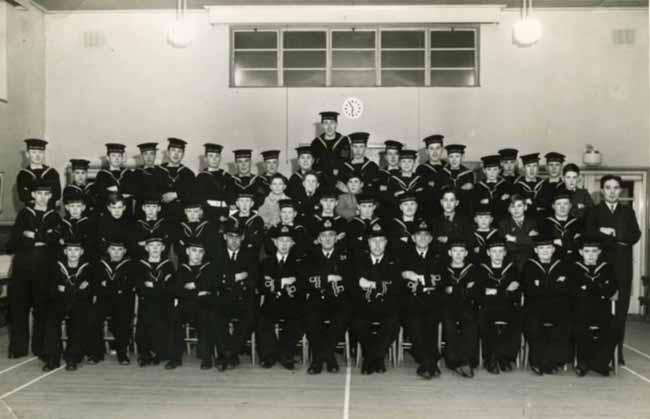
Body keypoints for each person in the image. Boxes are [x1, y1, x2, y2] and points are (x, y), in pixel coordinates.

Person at [585, 174, 641, 365]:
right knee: (599, 309)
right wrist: (602, 232)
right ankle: (599, 352)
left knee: (621, 312)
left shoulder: (628, 212)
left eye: (615, 188)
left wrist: (614, 233)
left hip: (623, 269)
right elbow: (588, 233)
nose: (611, 191)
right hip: (601, 268)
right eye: (608, 187)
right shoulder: (594, 211)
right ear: (602, 191)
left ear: (620, 191)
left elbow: (635, 235)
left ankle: (618, 352)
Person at [6, 181, 62, 359]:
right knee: (18, 309)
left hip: (45, 270)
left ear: (51, 196)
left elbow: (55, 241)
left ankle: (40, 348)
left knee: (42, 309)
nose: (43, 198)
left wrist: (31, 236)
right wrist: (41, 238)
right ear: (32, 195)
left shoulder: (55, 216)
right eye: (39, 194)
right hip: (23, 269)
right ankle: (18, 348)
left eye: (46, 194)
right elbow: (13, 242)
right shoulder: (24, 214)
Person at [351, 222, 401, 375]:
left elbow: (396, 286)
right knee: (357, 322)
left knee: (393, 323)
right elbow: (354, 285)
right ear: (368, 243)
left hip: (387, 305)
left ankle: (372, 357)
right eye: (373, 241)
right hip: (365, 305)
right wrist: (379, 284)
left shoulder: (395, 261)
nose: (377, 245)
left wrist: (371, 284)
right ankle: (377, 358)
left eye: (381, 241)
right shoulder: (359, 260)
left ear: (386, 243)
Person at [304, 219, 350, 374]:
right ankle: (327, 358)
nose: (328, 238)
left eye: (331, 235)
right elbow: (306, 279)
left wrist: (320, 277)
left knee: (342, 317)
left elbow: (349, 279)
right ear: (319, 239)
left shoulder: (345, 255)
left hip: (338, 298)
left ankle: (320, 358)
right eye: (324, 235)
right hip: (317, 298)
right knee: (310, 318)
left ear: (337, 237)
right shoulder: (310, 255)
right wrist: (328, 278)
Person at [399, 219, 443, 379]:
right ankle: (430, 362)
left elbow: (442, 280)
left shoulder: (438, 255)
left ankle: (426, 363)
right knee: (415, 324)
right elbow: (399, 283)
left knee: (431, 323)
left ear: (431, 239)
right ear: (413, 238)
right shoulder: (404, 256)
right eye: (419, 235)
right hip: (411, 302)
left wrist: (418, 277)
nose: (423, 238)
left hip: (432, 302)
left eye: (426, 235)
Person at [257, 225, 305, 370]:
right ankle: (269, 355)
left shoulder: (299, 263)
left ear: (292, 243)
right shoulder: (266, 263)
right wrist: (283, 282)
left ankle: (286, 354)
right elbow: (262, 285)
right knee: (262, 318)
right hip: (272, 302)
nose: (284, 244)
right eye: (281, 240)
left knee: (297, 319)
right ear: (275, 242)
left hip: (292, 302)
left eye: (287, 241)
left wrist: (275, 282)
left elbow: (302, 285)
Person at [522, 234, 570, 375]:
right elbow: (529, 291)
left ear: (554, 249)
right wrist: (554, 285)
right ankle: (537, 362)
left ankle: (551, 361)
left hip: (557, 307)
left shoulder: (561, 265)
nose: (545, 251)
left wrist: (542, 286)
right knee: (534, 325)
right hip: (534, 308)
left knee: (563, 324)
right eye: (541, 248)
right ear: (536, 250)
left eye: (548, 248)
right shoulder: (529, 266)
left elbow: (566, 289)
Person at [570, 236, 617, 377]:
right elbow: (573, 291)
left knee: (615, 327)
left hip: (602, 310)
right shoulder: (574, 268)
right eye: (587, 251)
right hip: (580, 309)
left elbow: (612, 289)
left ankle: (600, 363)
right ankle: (583, 363)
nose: (590, 255)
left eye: (594, 251)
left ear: (599, 252)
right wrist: (599, 287)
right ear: (581, 252)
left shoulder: (607, 268)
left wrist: (587, 288)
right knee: (580, 326)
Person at [214, 221, 258, 371]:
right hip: (222, 298)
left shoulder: (250, 255)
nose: (234, 240)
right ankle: (228, 354)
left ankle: (229, 353)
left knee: (250, 316)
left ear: (243, 238)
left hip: (242, 298)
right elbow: (213, 279)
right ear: (225, 237)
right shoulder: (216, 254)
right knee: (215, 315)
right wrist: (237, 277)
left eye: (237, 237)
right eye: (231, 236)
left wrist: (228, 278)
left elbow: (253, 280)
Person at [167, 240, 217, 370]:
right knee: (174, 316)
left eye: (200, 252)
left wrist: (193, 286)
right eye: (194, 251)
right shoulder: (182, 269)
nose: (197, 255)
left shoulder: (209, 268)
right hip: (186, 306)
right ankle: (175, 358)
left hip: (203, 305)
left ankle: (206, 358)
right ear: (187, 251)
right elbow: (177, 291)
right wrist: (198, 291)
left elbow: (212, 287)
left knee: (207, 316)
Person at [476, 236, 521, 374]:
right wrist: (505, 291)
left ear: (505, 253)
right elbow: (480, 293)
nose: (497, 254)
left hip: (507, 306)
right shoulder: (481, 269)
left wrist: (494, 291)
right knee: (485, 321)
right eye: (494, 251)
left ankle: (506, 358)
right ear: (488, 253)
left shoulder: (512, 269)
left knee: (517, 319)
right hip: (487, 306)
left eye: (501, 251)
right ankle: (490, 358)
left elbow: (516, 292)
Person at [89, 237, 136, 365]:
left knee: (123, 320)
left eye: (119, 250)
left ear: (124, 251)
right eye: (113, 249)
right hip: (104, 300)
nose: (116, 252)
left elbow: (128, 286)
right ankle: (96, 353)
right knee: (93, 318)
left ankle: (122, 354)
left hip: (122, 301)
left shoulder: (130, 265)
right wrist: (115, 286)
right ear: (108, 250)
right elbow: (96, 284)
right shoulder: (100, 265)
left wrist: (108, 285)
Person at [440, 238, 481, 378]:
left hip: (467, 305)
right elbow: (441, 291)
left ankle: (467, 361)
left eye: (461, 251)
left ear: (466, 253)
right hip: (447, 306)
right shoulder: (443, 269)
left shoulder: (473, 269)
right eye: (455, 251)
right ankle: (453, 362)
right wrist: (464, 289)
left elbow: (475, 292)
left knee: (470, 323)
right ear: (449, 253)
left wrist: (454, 290)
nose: (458, 254)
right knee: (449, 325)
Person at [135, 234, 176, 367]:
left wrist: (153, 286)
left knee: (161, 320)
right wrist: (160, 285)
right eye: (152, 246)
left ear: (163, 248)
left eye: (158, 246)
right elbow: (140, 287)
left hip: (164, 303)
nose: (155, 249)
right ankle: (145, 353)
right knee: (145, 320)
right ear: (146, 248)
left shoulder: (168, 265)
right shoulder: (140, 265)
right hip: (146, 302)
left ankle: (158, 352)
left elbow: (170, 287)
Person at [95, 143, 138, 216]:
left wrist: (114, 191)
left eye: (119, 156)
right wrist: (123, 192)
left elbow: (133, 191)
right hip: (108, 216)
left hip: (127, 215)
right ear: (108, 157)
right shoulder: (102, 175)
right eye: (113, 155)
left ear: (122, 158)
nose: (117, 158)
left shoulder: (128, 173)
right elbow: (101, 193)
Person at [172, 200, 221, 264]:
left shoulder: (208, 227)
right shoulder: (180, 227)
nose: (192, 215)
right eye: (189, 211)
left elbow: (212, 247)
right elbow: (177, 248)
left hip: (204, 261)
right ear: (185, 212)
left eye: (195, 211)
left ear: (200, 212)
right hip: (185, 262)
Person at [539, 189, 582, 262]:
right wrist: (569, 241)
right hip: (553, 261)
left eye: (565, 204)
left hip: (574, 260)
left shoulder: (578, 223)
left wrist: (559, 242)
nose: (562, 207)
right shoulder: (545, 224)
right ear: (553, 206)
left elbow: (579, 244)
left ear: (570, 206)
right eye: (559, 204)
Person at [17, 138, 61, 209]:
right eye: (33, 152)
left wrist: (32, 194)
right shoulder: (23, 175)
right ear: (27, 154)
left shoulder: (52, 173)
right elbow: (22, 196)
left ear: (44, 154)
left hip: (49, 211)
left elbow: (57, 194)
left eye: (40, 152)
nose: (37, 156)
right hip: (31, 213)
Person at [431, 186, 474, 260]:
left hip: (461, 259)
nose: (448, 204)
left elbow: (470, 241)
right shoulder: (435, 221)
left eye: (452, 200)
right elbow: (433, 242)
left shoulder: (465, 220)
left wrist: (449, 239)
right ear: (441, 202)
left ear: (457, 203)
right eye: (445, 200)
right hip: (440, 258)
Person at [498, 194, 538, 272]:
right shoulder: (503, 224)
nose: (516, 209)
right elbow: (509, 246)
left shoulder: (532, 222)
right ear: (508, 209)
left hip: (530, 259)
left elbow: (535, 242)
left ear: (525, 207)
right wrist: (526, 238)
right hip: (511, 261)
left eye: (519, 206)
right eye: (512, 207)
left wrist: (514, 239)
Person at [160, 137, 196, 222]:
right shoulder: (158, 171)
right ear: (168, 152)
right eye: (173, 150)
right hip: (161, 215)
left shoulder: (188, 174)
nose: (176, 154)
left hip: (181, 217)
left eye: (179, 151)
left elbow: (193, 194)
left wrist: (176, 194)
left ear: (183, 154)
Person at [311, 111, 350, 188]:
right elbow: (315, 165)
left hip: (340, 181)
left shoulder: (343, 141)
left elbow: (344, 161)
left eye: (332, 123)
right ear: (322, 125)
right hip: (321, 181)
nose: (329, 127)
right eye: (326, 123)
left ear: (336, 124)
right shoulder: (316, 142)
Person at [195, 143, 231, 224]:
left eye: (217, 156)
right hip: (209, 216)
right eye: (211, 156)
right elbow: (200, 201)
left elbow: (231, 197)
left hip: (226, 214)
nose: (214, 159)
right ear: (205, 159)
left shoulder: (226, 176)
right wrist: (216, 216)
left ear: (220, 158)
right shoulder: (201, 177)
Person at [473, 155, 511, 221]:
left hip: (502, 220)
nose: (492, 173)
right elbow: (476, 206)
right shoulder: (477, 186)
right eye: (489, 169)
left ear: (499, 170)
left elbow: (506, 206)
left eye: (495, 169)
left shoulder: (506, 186)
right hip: (484, 221)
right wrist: (500, 200)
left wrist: (489, 201)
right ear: (484, 170)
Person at [440, 144, 474, 215]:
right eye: (451, 157)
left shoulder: (468, 173)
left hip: (464, 208)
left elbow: (469, 195)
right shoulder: (443, 172)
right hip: (446, 208)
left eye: (457, 156)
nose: (454, 160)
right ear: (448, 158)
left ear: (462, 157)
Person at [513, 153, 544, 221]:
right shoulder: (517, 185)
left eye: (534, 166)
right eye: (529, 166)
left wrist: (531, 202)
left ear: (538, 168)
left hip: (542, 219)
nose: (532, 169)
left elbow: (545, 203)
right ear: (524, 168)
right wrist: (536, 205)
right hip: (524, 221)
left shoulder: (544, 184)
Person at [538, 152, 566, 218]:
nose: (554, 168)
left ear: (561, 167)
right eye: (551, 165)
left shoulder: (566, 186)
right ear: (546, 167)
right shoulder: (540, 186)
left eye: (557, 165)